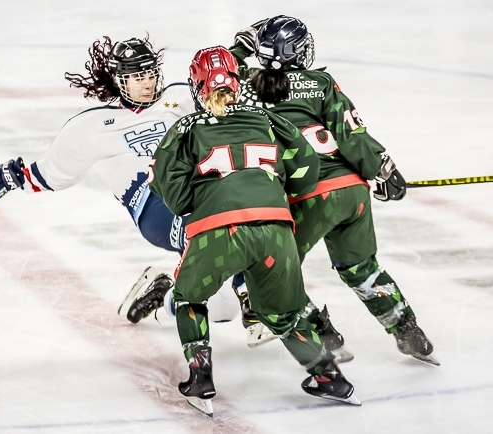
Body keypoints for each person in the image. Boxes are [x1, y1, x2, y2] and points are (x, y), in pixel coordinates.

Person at [149, 45, 360, 416]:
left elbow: (173, 193)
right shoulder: (269, 120)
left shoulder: (184, 128)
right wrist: (280, 193)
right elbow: (307, 165)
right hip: (276, 230)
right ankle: (330, 378)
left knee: (188, 298)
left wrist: (201, 197)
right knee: (285, 315)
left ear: (197, 87)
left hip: (219, 231)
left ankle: (200, 379)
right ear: (236, 82)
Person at [0, 35, 239, 323]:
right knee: (215, 236)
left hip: (202, 188)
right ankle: (225, 291)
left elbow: (225, 116)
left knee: (224, 308)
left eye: (151, 73)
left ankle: (179, 291)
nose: (148, 83)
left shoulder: (179, 97)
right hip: (154, 206)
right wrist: (13, 176)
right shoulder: (91, 127)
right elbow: (50, 173)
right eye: (138, 77)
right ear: (119, 80)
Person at [228, 15, 439, 365]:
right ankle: (408, 330)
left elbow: (209, 83)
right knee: (361, 267)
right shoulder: (321, 82)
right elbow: (351, 133)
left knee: (270, 274)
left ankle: (325, 335)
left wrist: (239, 48)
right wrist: (383, 171)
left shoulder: (247, 89)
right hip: (351, 193)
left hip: (305, 197)